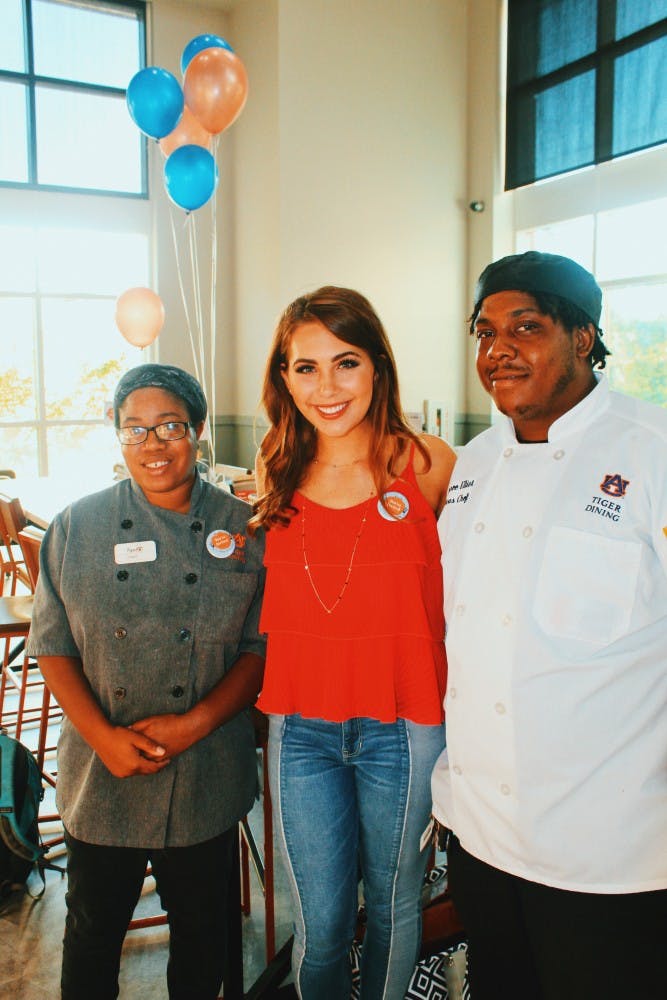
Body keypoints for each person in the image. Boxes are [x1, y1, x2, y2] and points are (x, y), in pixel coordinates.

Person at [431, 251, 667, 1000]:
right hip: (483, 838)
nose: (496, 349)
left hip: (611, 852)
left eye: (525, 327)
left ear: (583, 337)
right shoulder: (469, 465)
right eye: (483, 331)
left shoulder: (652, 451)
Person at [27, 363, 266, 1000]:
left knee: (203, 937)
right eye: (134, 430)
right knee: (92, 934)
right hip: (103, 774)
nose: (153, 444)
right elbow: (50, 645)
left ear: (199, 431)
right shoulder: (77, 526)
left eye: (169, 427)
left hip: (206, 773)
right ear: (117, 437)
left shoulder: (247, 528)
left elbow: (259, 650)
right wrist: (102, 736)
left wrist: (194, 723)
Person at [249, 286, 456, 999]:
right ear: (282, 377)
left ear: (377, 367)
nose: (326, 387)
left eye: (345, 363)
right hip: (299, 727)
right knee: (319, 923)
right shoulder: (271, 468)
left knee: (396, 907)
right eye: (304, 368)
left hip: (402, 726)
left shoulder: (428, 463)